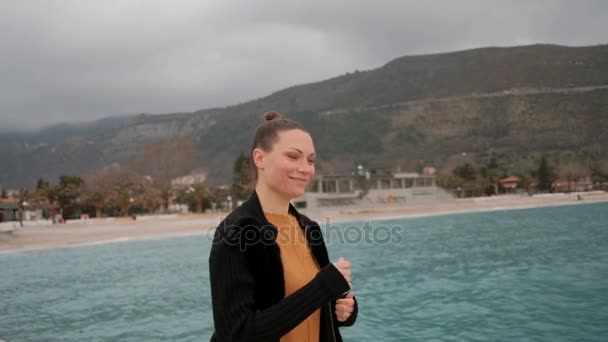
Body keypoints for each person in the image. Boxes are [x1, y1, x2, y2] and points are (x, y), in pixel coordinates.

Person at [209, 112, 358, 341]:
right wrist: (323, 288)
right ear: (259, 158)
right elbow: (237, 334)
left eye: (310, 160)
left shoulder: (310, 229)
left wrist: (342, 310)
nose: (306, 168)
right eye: (292, 156)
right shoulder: (235, 233)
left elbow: (318, 307)